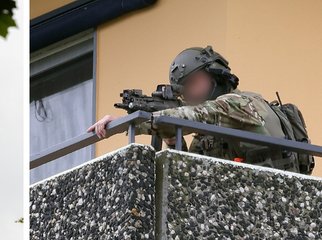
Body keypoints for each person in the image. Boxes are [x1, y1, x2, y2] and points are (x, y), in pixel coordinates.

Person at [88, 46, 297, 171]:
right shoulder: (207, 134)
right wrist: (171, 140)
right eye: (184, 90)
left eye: (194, 83)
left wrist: (134, 123)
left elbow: (200, 115)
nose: (189, 95)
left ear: (217, 76)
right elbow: (187, 174)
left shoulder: (243, 104)